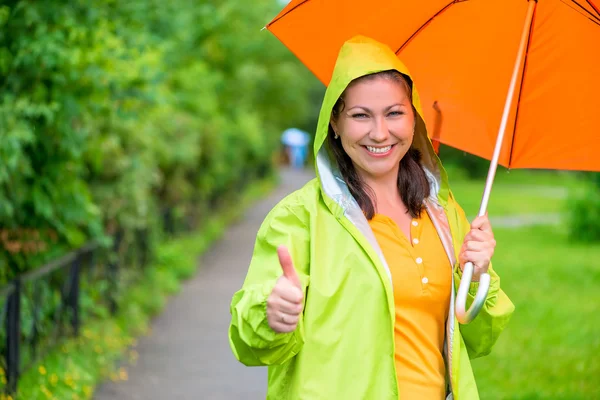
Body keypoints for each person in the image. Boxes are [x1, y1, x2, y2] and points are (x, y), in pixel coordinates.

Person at [229, 35, 514, 399]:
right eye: (361, 115)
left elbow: (478, 338)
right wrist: (271, 317)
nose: (380, 133)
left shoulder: (443, 213)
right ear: (335, 122)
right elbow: (251, 345)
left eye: (394, 113)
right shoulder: (298, 218)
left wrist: (478, 274)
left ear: (414, 118)